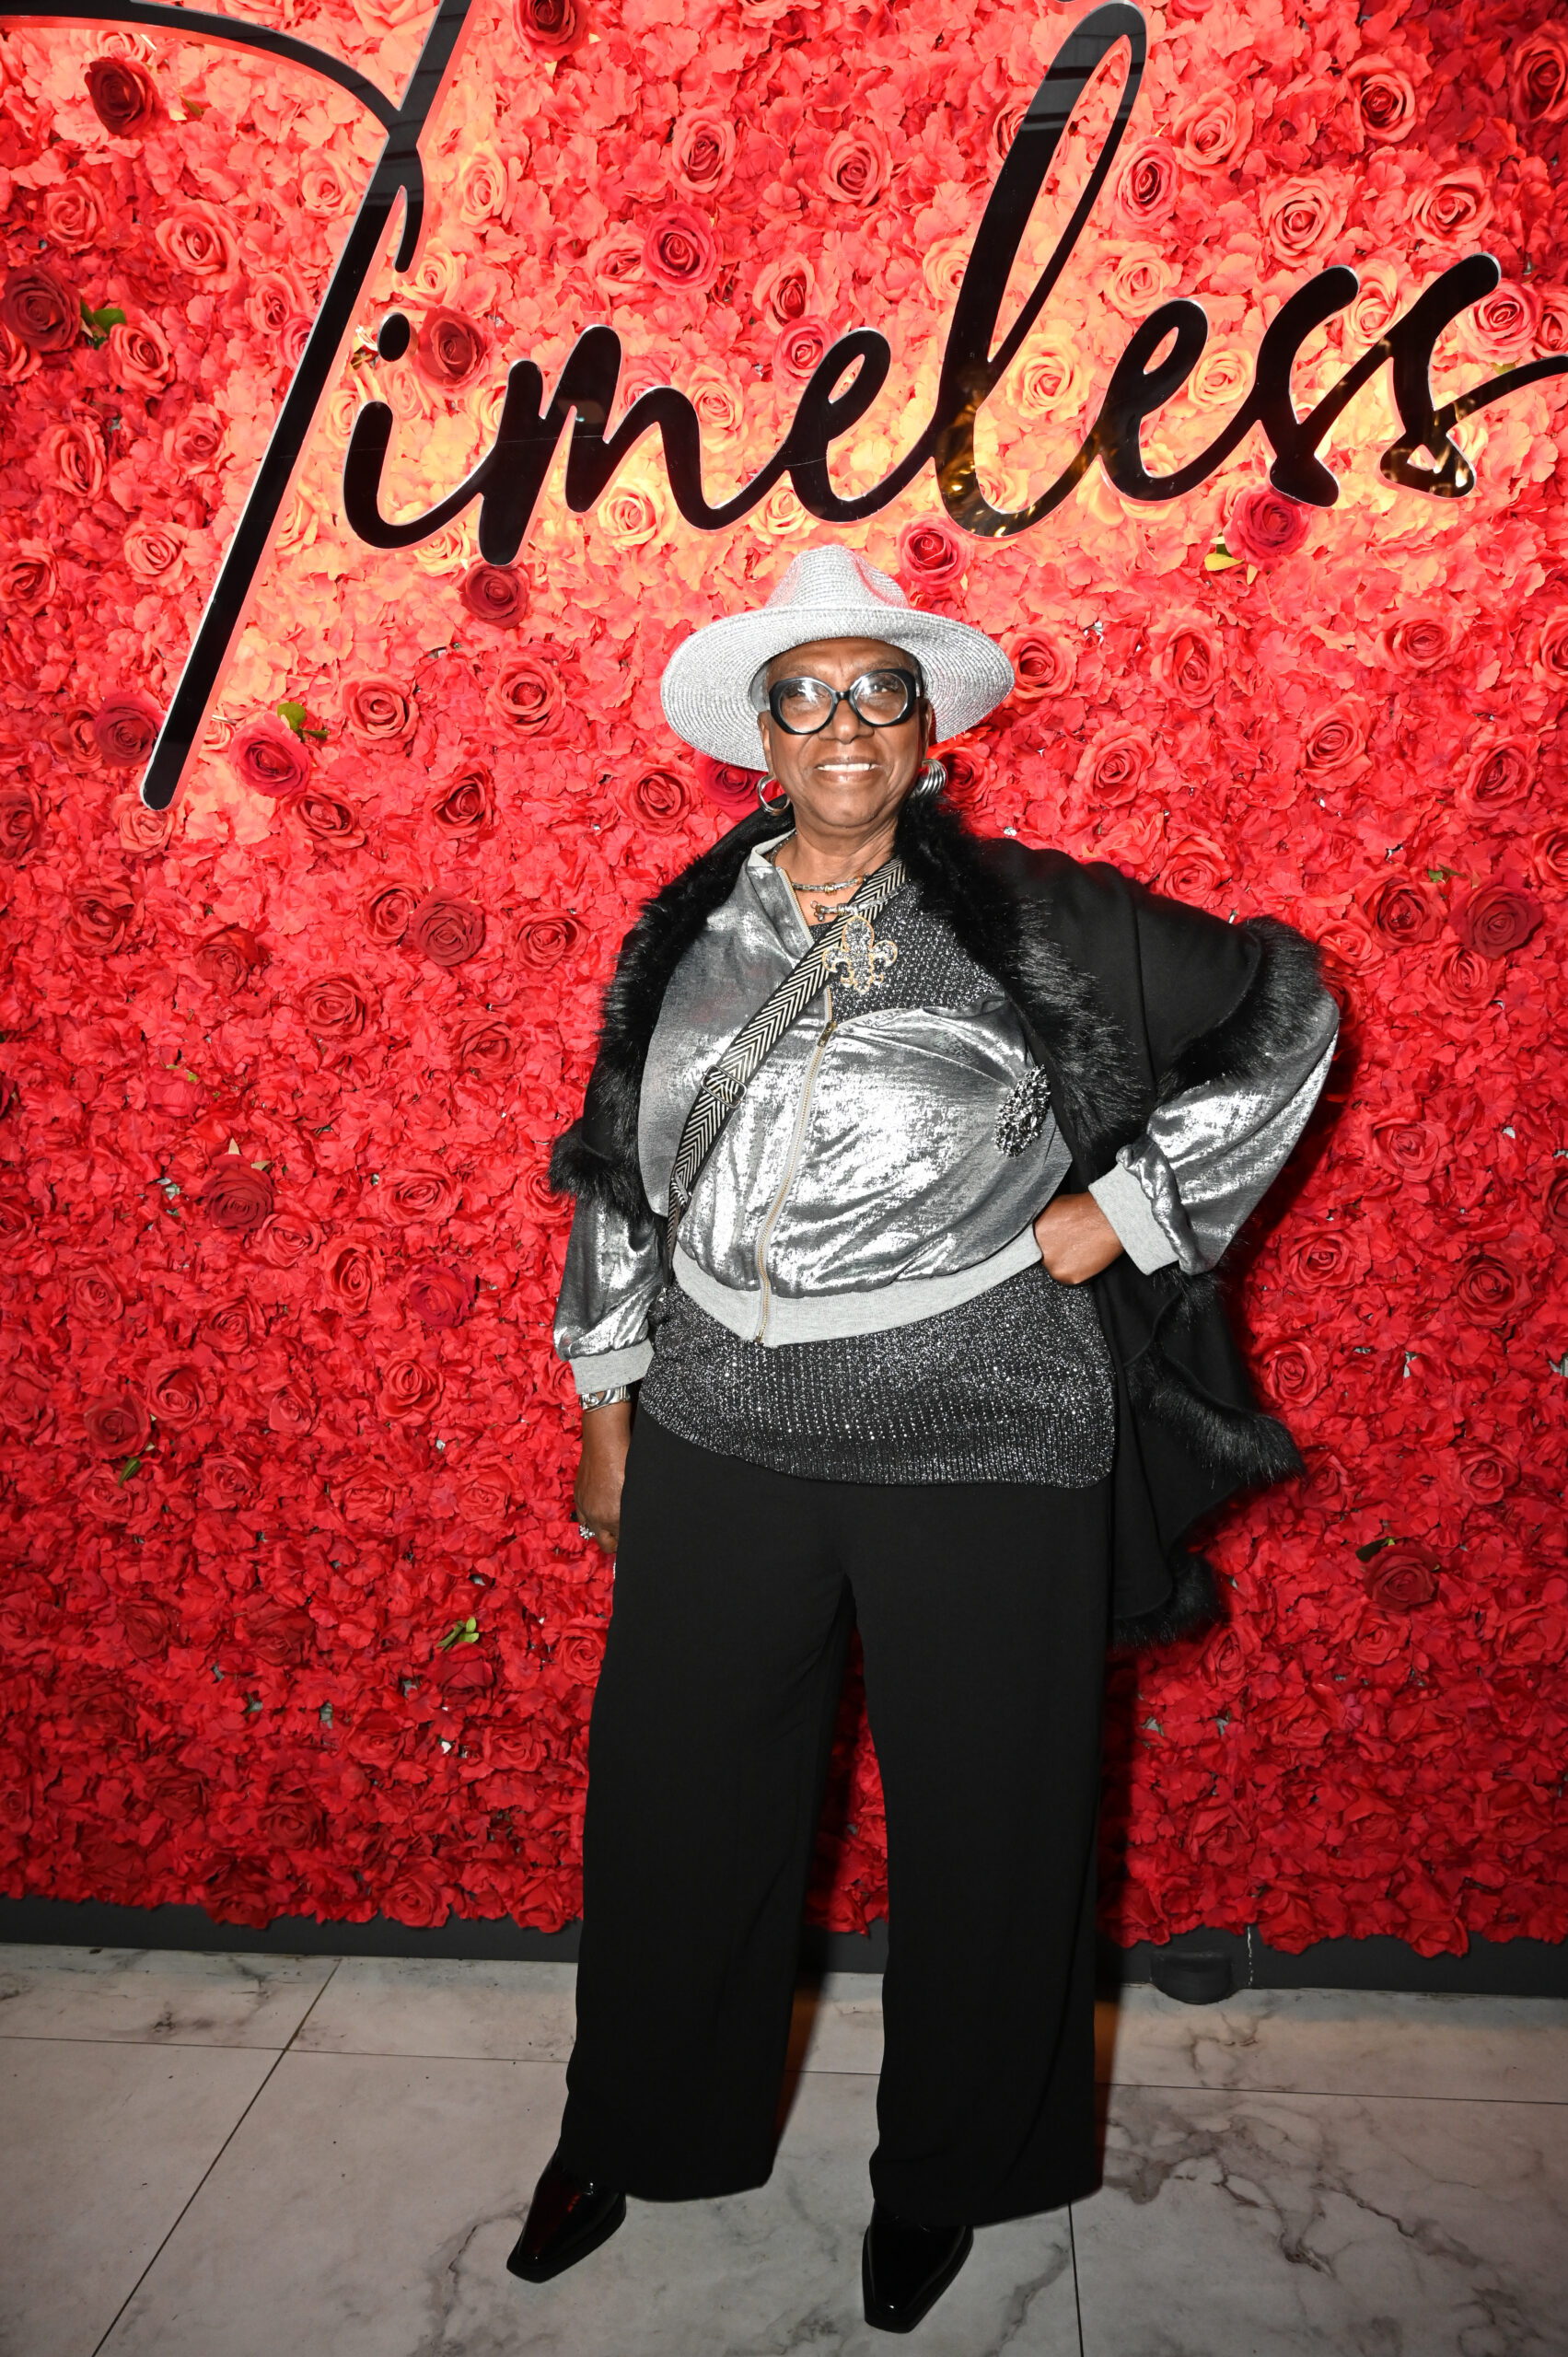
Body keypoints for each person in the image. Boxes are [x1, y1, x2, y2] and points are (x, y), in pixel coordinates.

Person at [506, 544, 1338, 2332]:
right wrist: (605, 1401)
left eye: (876, 690)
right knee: (673, 1810)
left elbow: (1289, 1005)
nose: (843, 725)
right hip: (721, 1427)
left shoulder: (1033, 918)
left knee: (994, 1819)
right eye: (802, 696)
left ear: (926, 727)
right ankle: (635, 2124)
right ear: (760, 735)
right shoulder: (685, 932)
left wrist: (1134, 1207)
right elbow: (621, 1176)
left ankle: (954, 2170)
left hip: (986, 1432)